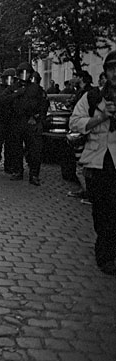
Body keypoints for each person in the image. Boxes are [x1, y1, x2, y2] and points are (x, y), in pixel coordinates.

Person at [69, 50, 116, 276]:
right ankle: (105, 253)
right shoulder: (93, 97)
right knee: (103, 212)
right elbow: (75, 122)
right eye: (111, 69)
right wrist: (100, 118)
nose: (115, 73)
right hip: (99, 163)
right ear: (105, 72)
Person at [0, 62, 47, 185]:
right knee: (16, 149)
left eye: (27, 73)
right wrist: (16, 94)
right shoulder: (13, 87)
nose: (24, 76)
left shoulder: (36, 88)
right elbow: (3, 100)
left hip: (31, 121)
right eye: (22, 73)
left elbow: (43, 105)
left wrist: (38, 119)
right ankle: (18, 171)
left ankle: (34, 174)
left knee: (34, 150)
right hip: (16, 121)